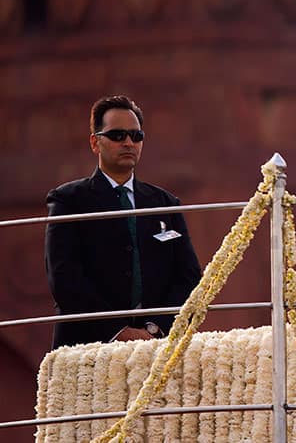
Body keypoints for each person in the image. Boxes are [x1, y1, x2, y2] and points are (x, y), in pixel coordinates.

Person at [44, 95, 202, 349]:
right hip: (87, 347)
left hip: (157, 345)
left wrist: (154, 327)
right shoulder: (68, 200)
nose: (128, 142)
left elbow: (189, 275)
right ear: (95, 142)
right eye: (117, 135)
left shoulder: (165, 202)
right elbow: (64, 277)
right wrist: (118, 330)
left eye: (136, 136)